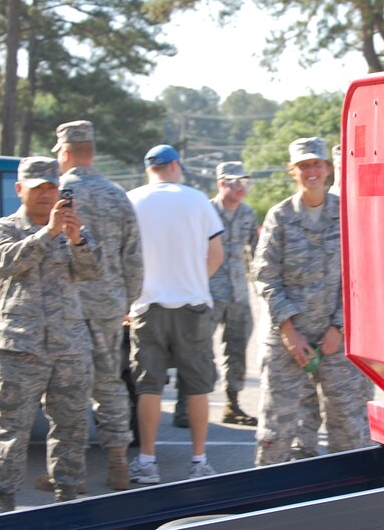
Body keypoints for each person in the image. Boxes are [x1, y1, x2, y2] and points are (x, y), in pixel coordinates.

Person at [0, 157, 101, 511]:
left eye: (51, 188)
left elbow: (92, 271)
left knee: (71, 426)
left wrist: (77, 240)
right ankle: (4, 503)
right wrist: (46, 233)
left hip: (68, 346)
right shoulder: (4, 229)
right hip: (20, 346)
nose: (45, 195)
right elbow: (6, 263)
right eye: (37, 189)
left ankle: (66, 497)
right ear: (20, 190)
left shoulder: (73, 229)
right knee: (12, 429)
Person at [252, 137, 370, 466]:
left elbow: (360, 275)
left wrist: (339, 325)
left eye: (316, 163)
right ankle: (267, 501)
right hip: (288, 338)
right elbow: (265, 276)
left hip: (338, 337)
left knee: (348, 425)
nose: (311, 171)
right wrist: (289, 332)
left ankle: (350, 498)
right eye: (303, 165)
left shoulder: (347, 213)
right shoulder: (281, 217)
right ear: (293, 172)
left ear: (328, 169)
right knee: (277, 427)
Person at [45, 120, 143, 491]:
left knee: (62, 387)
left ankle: (67, 470)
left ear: (65, 152)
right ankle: (118, 462)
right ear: (91, 150)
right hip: (107, 305)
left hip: (62, 305)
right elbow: (134, 257)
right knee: (109, 383)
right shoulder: (118, 195)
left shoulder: (56, 193)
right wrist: (126, 301)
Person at [127, 145, 224, 483]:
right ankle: (199, 461)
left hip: (147, 305)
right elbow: (216, 253)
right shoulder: (197, 199)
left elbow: (124, 256)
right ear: (176, 166)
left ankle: (147, 461)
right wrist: (195, 279)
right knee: (197, 386)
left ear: (149, 169)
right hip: (192, 305)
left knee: (149, 387)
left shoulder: (132, 200)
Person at [174, 161, 259, 427]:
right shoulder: (204, 211)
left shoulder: (247, 213)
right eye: (235, 182)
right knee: (196, 350)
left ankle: (232, 404)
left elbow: (256, 253)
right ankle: (184, 406)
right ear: (221, 183)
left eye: (245, 182)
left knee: (236, 352)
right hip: (206, 291)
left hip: (238, 295)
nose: (241, 188)